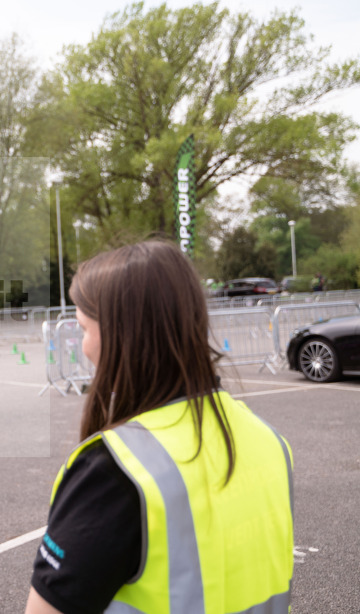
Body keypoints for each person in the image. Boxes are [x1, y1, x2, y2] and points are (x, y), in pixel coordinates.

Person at [26, 240, 294, 614]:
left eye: (84, 328)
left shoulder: (114, 470)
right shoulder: (268, 440)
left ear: (123, 336)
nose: (83, 347)